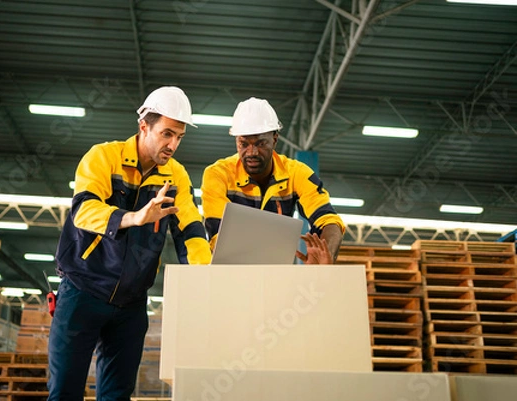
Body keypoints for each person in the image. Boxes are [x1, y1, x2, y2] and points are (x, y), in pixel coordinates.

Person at [48, 86, 211, 401]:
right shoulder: (102, 158)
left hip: (131, 304)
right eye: (166, 134)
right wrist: (134, 218)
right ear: (143, 127)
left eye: (179, 137)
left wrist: (205, 273)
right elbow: (84, 210)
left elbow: (189, 228)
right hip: (82, 292)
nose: (173, 144)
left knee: (117, 396)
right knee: (64, 392)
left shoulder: (175, 176)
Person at [201, 97, 344, 264]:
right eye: (244, 144)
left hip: (276, 273)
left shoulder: (296, 173)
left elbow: (329, 220)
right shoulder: (218, 175)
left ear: (274, 139)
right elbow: (218, 233)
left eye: (260, 143)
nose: (252, 152)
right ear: (236, 140)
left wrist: (326, 255)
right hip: (232, 268)